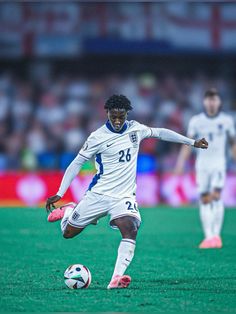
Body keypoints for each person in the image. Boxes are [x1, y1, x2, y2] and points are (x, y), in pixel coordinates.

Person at [46, 94, 208, 289]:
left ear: (126, 114)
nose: (117, 120)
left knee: (130, 228)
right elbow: (76, 163)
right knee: (68, 233)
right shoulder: (97, 137)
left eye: (121, 116)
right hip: (98, 194)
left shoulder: (135, 129)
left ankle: (116, 279)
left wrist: (192, 142)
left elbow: (161, 132)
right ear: (107, 113)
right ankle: (70, 210)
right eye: (113, 116)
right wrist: (60, 192)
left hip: (124, 196)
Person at [175, 88, 236, 249]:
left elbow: (232, 143)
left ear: (219, 102)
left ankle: (216, 235)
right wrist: (181, 162)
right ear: (204, 102)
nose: (211, 102)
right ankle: (209, 236)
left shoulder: (227, 121)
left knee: (216, 197)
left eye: (214, 99)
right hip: (202, 165)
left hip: (219, 164)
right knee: (204, 199)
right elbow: (189, 144)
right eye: (209, 99)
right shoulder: (196, 121)